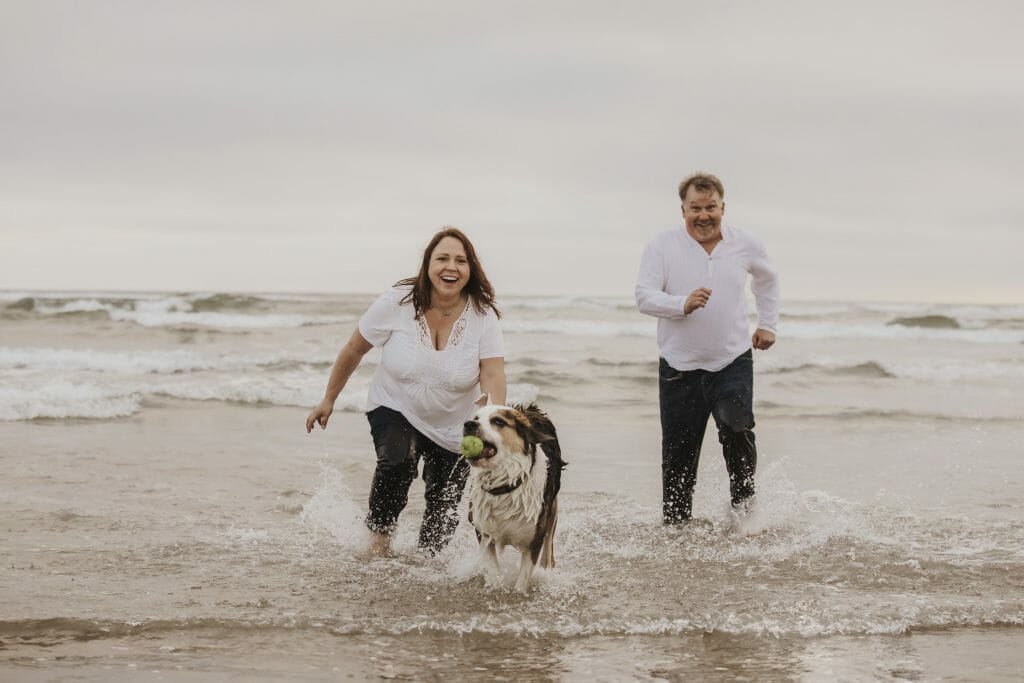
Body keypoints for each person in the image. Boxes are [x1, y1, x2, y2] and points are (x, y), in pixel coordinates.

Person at [306, 227, 507, 555]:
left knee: (444, 501)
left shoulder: (482, 315)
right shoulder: (398, 301)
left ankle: (430, 561)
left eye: (460, 260)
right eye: (442, 258)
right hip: (395, 405)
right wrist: (328, 399)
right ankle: (379, 541)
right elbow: (355, 348)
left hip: (454, 422)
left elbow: (493, 372)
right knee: (398, 462)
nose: (450, 267)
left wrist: (493, 418)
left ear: (471, 270)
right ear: (428, 265)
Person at [635, 173, 779, 524]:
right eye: (695, 208)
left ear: (722, 207)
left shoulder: (746, 243)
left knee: (737, 429)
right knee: (679, 452)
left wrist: (767, 323)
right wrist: (681, 304)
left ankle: (745, 515)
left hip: (731, 359)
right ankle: (676, 525)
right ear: (682, 209)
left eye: (710, 207)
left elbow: (768, 279)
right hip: (679, 365)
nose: (703, 216)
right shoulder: (661, 245)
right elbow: (644, 296)